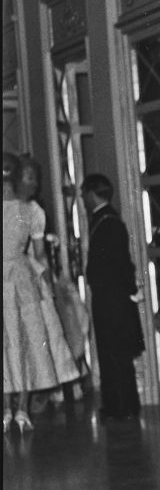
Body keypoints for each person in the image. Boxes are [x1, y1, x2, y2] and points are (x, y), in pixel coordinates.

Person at [4, 153, 81, 433]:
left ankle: (6, 410)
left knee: (9, 343)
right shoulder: (32, 211)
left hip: (12, 282)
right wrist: (47, 284)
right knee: (25, 344)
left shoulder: (32, 210)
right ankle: (21, 409)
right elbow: (40, 256)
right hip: (23, 281)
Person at [80, 174, 145, 422]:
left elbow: (120, 263)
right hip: (111, 297)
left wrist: (127, 291)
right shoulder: (107, 220)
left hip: (112, 299)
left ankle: (122, 405)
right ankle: (119, 404)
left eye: (84, 193)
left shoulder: (108, 222)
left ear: (91, 193)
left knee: (115, 352)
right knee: (113, 351)